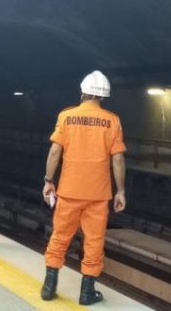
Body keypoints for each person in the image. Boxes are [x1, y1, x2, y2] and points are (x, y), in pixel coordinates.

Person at [40, 71, 126, 306]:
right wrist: (120, 191)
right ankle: (87, 293)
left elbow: (55, 152)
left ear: (83, 92)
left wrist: (49, 180)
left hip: (69, 192)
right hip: (98, 195)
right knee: (94, 241)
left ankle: (49, 287)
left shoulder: (66, 117)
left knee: (60, 236)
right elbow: (117, 160)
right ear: (103, 97)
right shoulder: (112, 120)